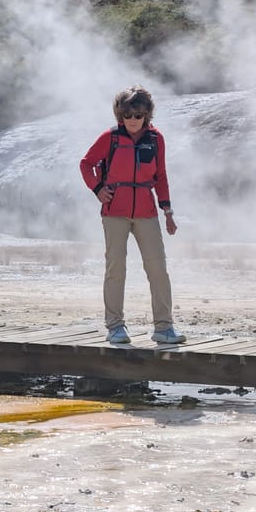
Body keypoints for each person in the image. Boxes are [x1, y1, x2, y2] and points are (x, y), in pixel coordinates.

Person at [79, 85, 185, 344]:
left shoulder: (156, 139)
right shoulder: (110, 138)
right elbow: (86, 164)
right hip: (115, 211)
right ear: (120, 115)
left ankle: (164, 327)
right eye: (128, 115)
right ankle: (115, 326)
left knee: (158, 267)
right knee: (116, 268)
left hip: (146, 212)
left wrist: (167, 211)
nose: (133, 120)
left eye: (138, 115)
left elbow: (161, 176)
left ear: (147, 115)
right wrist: (97, 189)